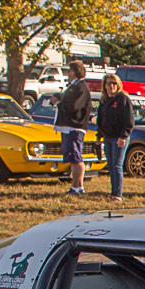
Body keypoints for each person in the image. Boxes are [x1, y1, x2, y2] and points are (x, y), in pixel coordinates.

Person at [55, 60, 94, 196]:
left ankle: (78, 187)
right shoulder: (74, 86)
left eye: (69, 70)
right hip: (68, 127)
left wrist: (58, 103)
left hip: (75, 127)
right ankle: (76, 186)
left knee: (76, 157)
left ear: (75, 72)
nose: (68, 73)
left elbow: (74, 107)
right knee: (72, 158)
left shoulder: (81, 87)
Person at [95, 74, 133, 201]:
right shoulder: (104, 101)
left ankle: (118, 195)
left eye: (114, 83)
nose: (111, 86)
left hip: (119, 138)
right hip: (108, 137)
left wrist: (123, 136)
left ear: (118, 85)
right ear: (105, 86)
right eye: (109, 83)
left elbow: (129, 120)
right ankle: (113, 192)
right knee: (111, 166)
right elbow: (101, 120)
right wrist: (99, 136)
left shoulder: (122, 98)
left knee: (117, 165)